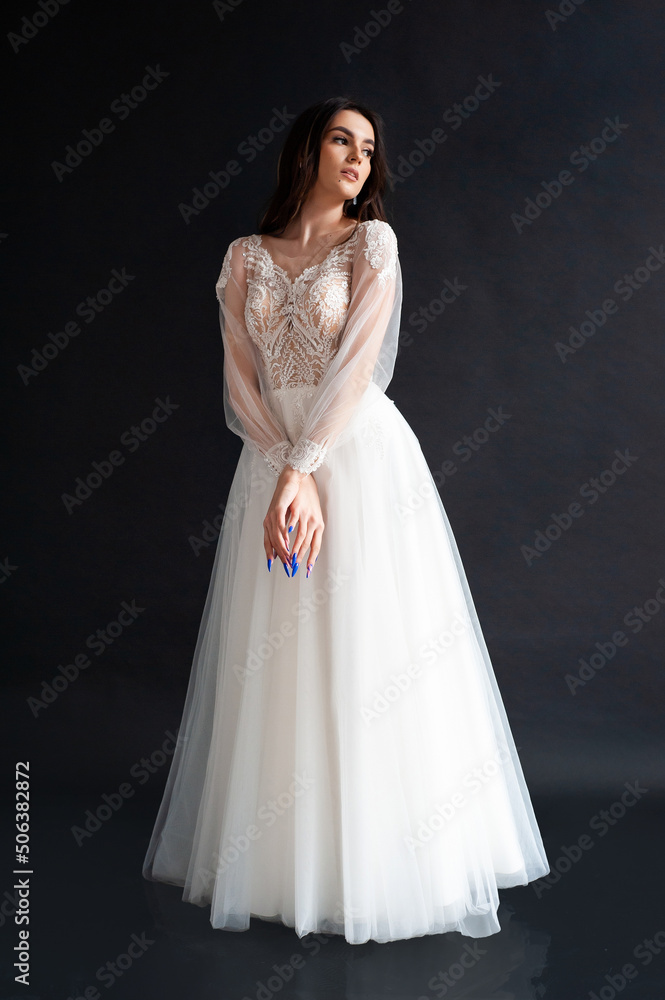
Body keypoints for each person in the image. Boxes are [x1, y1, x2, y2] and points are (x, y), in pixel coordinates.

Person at [142, 96, 550, 945]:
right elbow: (240, 381)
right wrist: (279, 466)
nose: (359, 156)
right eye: (341, 139)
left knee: (370, 649)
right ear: (306, 150)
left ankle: (382, 864)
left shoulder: (372, 244)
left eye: (368, 145)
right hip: (271, 467)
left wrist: (304, 469)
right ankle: (284, 863)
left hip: (354, 461)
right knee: (281, 655)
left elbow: (359, 363)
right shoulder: (243, 258)